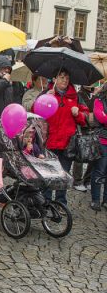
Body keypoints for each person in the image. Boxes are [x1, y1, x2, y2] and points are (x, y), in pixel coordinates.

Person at [43, 69, 86, 205]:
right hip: (49, 141)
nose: (64, 80)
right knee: (49, 172)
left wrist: (77, 114)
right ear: (54, 79)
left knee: (64, 173)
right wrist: (45, 100)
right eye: (61, 77)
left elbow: (84, 119)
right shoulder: (47, 93)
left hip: (68, 143)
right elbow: (35, 112)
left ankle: (61, 201)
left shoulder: (76, 97)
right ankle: (46, 200)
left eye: (67, 78)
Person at [91, 84, 107, 211]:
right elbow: (101, 117)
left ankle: (106, 200)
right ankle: (95, 199)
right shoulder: (99, 100)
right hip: (102, 141)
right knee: (99, 170)